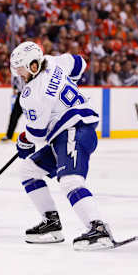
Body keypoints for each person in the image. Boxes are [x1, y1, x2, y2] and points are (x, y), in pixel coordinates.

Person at [9, 41, 115, 250]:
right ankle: (52, 224)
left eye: (21, 69)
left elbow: (37, 134)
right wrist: (65, 84)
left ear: (33, 65)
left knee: (70, 181)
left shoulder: (31, 94)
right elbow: (79, 63)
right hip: (69, 133)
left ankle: (99, 228)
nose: (19, 75)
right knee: (28, 170)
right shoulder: (52, 62)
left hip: (73, 130)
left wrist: (23, 141)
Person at [0, 73, 23, 142]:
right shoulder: (14, 70)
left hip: (30, 94)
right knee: (14, 116)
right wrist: (15, 88)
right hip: (20, 94)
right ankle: (9, 136)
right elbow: (15, 80)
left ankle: (39, 134)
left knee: (33, 116)